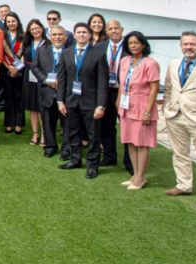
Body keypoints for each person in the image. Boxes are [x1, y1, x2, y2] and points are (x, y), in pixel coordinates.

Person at [162, 31, 196, 207]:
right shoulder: (174, 63)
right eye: (185, 44)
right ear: (180, 46)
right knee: (179, 153)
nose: (189, 47)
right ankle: (184, 184)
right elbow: (169, 87)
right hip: (175, 114)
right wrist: (166, 107)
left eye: (193, 44)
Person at [56, 23, 108, 179]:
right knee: (73, 132)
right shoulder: (66, 53)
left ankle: (92, 165)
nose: (81, 35)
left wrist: (101, 105)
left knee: (93, 136)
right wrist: (60, 101)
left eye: (85, 32)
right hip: (70, 101)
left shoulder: (98, 53)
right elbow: (62, 79)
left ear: (90, 35)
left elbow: (102, 82)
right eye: (78, 32)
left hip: (91, 103)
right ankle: (75, 159)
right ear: (74, 34)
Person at [116, 31, 160, 190]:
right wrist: (118, 101)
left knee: (142, 143)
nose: (133, 46)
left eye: (136, 43)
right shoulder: (124, 61)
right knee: (130, 142)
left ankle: (141, 177)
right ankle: (135, 174)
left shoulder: (150, 63)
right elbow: (122, 84)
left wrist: (148, 111)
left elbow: (154, 88)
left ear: (143, 44)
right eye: (130, 43)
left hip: (142, 107)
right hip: (126, 106)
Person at [101, 19, 132, 173]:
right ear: (106, 31)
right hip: (106, 91)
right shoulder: (100, 47)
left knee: (126, 126)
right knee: (106, 125)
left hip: (124, 92)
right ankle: (109, 156)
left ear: (122, 29)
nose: (114, 31)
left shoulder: (130, 47)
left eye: (116, 28)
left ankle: (130, 161)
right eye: (110, 29)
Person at [32, 25, 65, 158]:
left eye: (60, 35)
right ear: (50, 37)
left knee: (67, 124)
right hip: (47, 92)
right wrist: (46, 80)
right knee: (47, 122)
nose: (57, 37)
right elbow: (35, 67)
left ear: (65, 37)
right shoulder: (41, 50)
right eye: (54, 35)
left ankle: (67, 148)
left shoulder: (70, 51)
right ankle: (50, 146)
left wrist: (62, 84)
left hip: (65, 94)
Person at [21, 19, 48, 146]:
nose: (35, 31)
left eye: (37, 28)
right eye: (32, 29)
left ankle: (44, 135)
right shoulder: (27, 43)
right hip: (29, 76)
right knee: (32, 107)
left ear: (42, 29)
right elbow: (23, 59)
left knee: (41, 107)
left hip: (43, 76)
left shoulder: (47, 43)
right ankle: (35, 133)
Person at [1, 12, 26, 135]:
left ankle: (19, 124)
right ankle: (9, 123)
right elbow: (1, 53)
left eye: (13, 21)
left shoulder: (24, 36)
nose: (11, 23)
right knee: (8, 97)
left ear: (18, 22)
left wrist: (17, 68)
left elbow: (26, 54)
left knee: (19, 97)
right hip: (6, 69)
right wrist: (9, 67)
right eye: (8, 21)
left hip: (20, 70)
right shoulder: (3, 36)